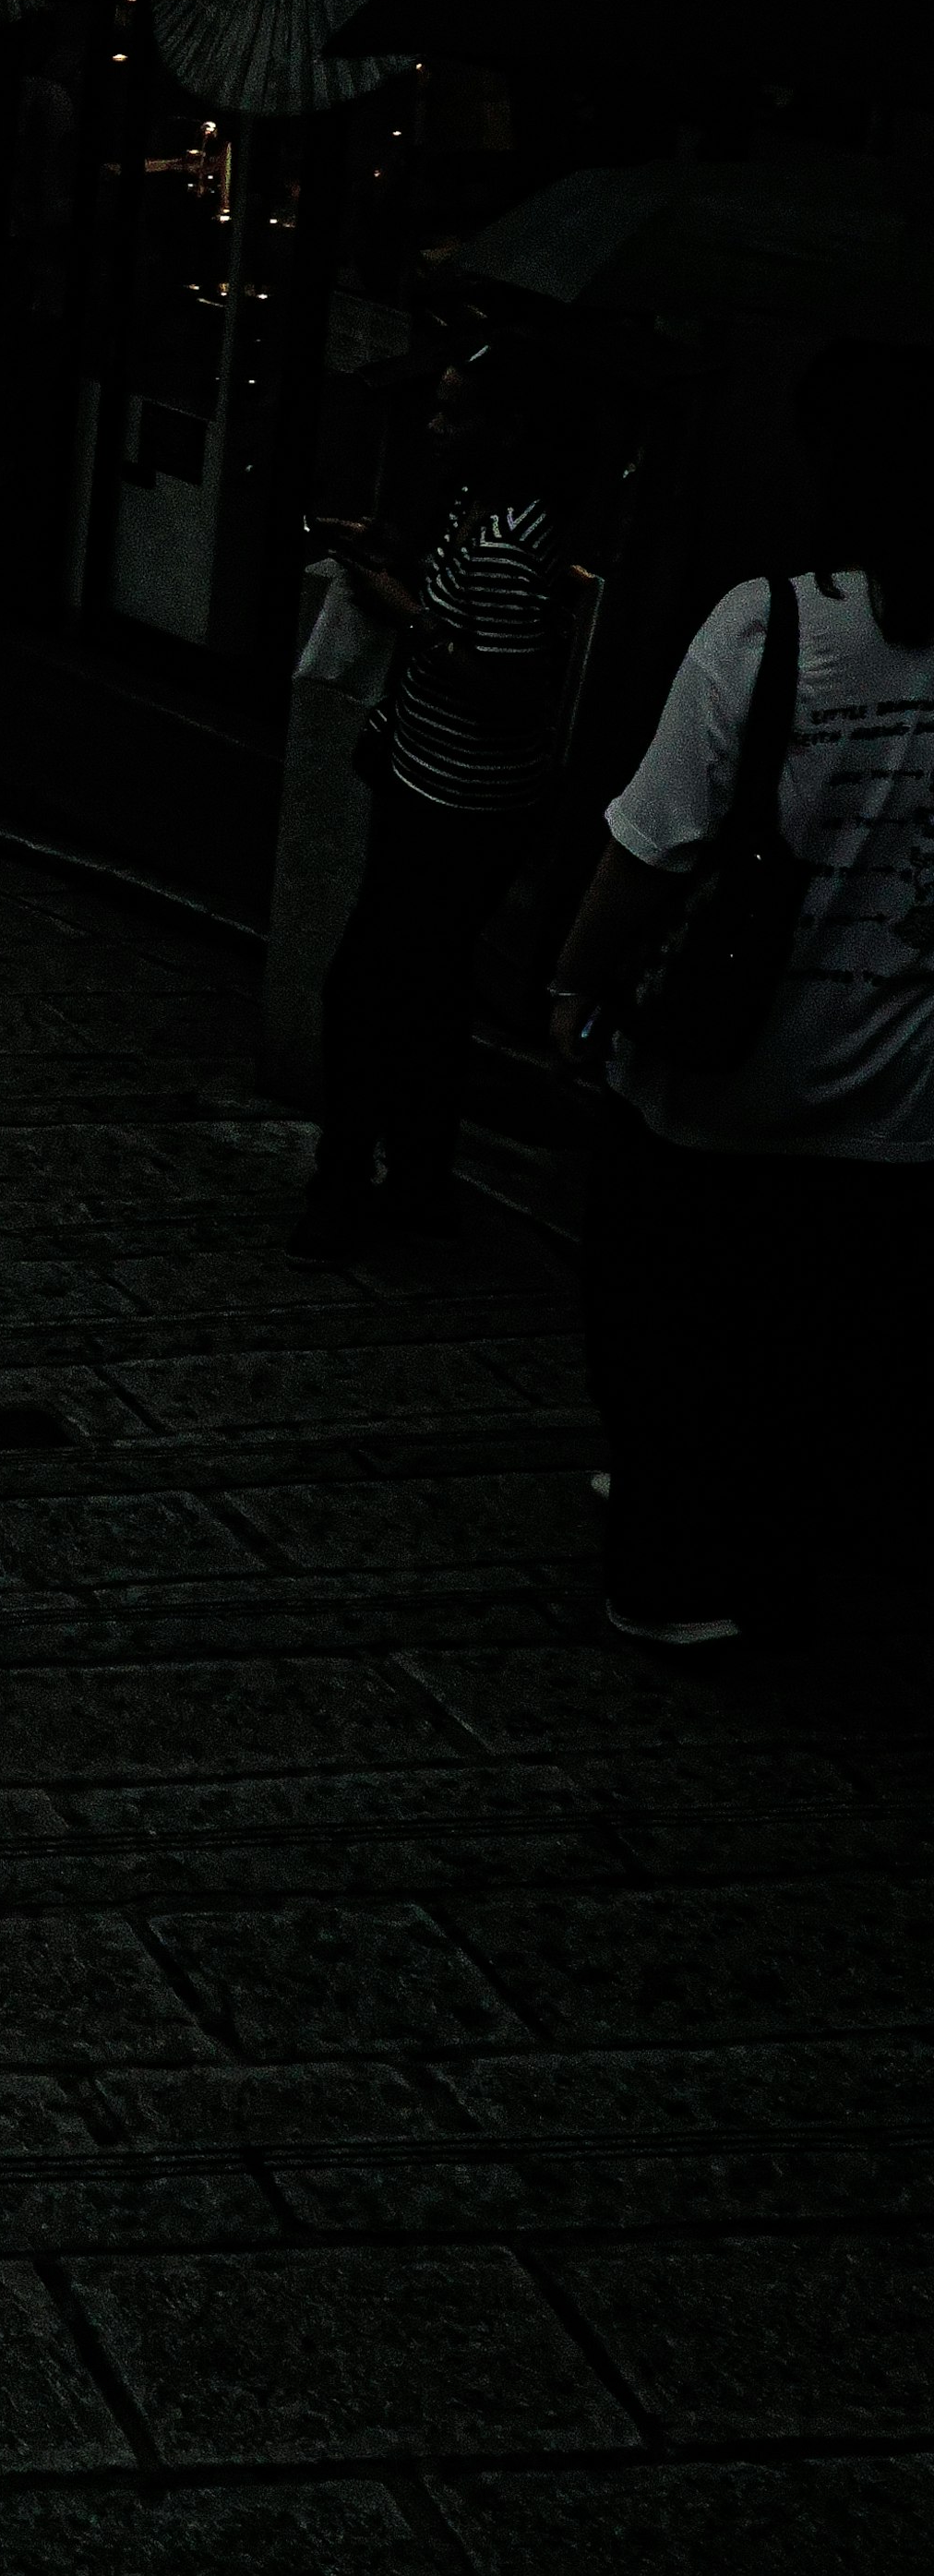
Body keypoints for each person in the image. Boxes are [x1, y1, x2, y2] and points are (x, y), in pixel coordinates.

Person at [549, 339, 934, 1647]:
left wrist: (574, 981)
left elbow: (652, 846)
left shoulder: (770, 625)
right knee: (822, 1343)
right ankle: (781, 1563)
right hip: (895, 1092)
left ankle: (665, 1568)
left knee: (668, 1321)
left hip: (722, 1066)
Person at [305, 338, 584, 1255]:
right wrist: (385, 550)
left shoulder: (512, 540)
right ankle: (403, 1178)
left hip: (459, 806)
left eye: (457, 414)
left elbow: (508, 683)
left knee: (380, 989)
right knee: (414, 991)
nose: (435, 428)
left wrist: (404, 613)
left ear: (508, 430)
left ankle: (363, 1182)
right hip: (427, 775)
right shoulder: (477, 508)